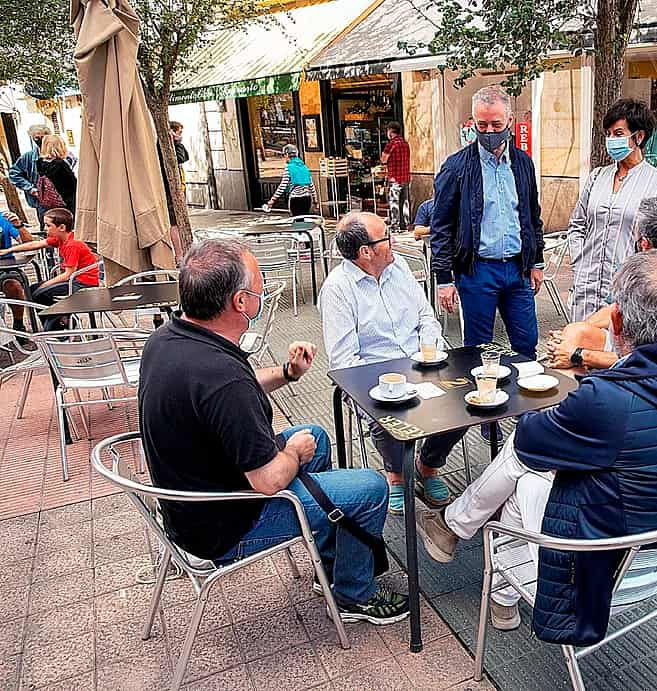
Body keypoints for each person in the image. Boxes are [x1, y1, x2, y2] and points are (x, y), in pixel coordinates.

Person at [415, 250, 657, 640]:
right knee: (539, 466)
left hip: (603, 574)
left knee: (525, 473)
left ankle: (466, 543)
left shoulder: (611, 400)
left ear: (616, 321)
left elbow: (531, 438)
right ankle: (465, 546)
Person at [139, 238, 409, 624]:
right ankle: (355, 595)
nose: (264, 290)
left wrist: (288, 373)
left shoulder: (170, 338)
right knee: (370, 488)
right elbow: (267, 479)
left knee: (314, 435)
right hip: (226, 524)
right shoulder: (221, 377)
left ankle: (331, 566)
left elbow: (236, 387)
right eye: (259, 283)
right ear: (240, 303)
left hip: (193, 499)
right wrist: (291, 454)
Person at [319, 212, 465, 514]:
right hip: (377, 375)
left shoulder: (399, 269)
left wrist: (432, 349)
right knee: (387, 412)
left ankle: (428, 465)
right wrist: (377, 389)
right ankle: (396, 475)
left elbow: (426, 317)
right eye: (386, 236)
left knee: (467, 401)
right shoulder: (338, 289)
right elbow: (345, 360)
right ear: (365, 252)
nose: (394, 241)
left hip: (423, 362)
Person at [431, 84, 544, 360]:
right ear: (473, 124)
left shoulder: (523, 163)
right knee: (478, 349)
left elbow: (531, 215)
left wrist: (537, 261)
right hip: (477, 270)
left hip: (518, 269)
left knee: (527, 344)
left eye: (496, 124)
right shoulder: (456, 167)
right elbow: (441, 226)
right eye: (482, 125)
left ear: (509, 122)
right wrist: (444, 279)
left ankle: (527, 400)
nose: (490, 132)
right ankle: (481, 397)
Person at [548, 198, 657, 371]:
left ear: (644, 244)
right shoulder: (640, 274)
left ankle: (576, 395)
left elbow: (651, 361)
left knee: (570, 355)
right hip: (631, 350)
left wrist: (579, 355)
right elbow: (614, 308)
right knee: (572, 334)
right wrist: (572, 333)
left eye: (635, 234)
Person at [567, 99, 657, 322]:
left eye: (618, 133)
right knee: (579, 349)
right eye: (608, 134)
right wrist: (580, 261)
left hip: (627, 295)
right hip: (586, 289)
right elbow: (577, 225)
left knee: (617, 353)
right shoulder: (597, 176)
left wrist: (640, 279)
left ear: (639, 136)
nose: (611, 140)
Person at [0, 208, 99, 330]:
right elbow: (35, 244)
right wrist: (9, 250)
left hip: (81, 283)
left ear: (61, 227)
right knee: (31, 291)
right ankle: (63, 319)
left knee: (38, 293)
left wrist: (46, 284)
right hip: (74, 279)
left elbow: (68, 274)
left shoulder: (72, 245)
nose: (45, 229)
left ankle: (57, 326)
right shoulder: (61, 239)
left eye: (48, 226)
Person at [9, 124, 53, 226]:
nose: (39, 140)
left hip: (63, 201)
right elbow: (14, 173)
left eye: (42, 137)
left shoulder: (60, 154)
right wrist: (30, 188)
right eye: (36, 138)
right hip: (41, 202)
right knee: (47, 229)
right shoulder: (28, 157)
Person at [0, 211, 34, 337]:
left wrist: (19, 225)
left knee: (13, 284)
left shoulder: (3, 219)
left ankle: (18, 324)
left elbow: (29, 244)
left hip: (5, 267)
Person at [264, 144, 317, 216]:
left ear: (286, 155)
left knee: (296, 221)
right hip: (307, 199)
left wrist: (272, 200)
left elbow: (282, 186)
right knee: (304, 221)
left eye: (284, 155)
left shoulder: (289, 168)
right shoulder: (304, 167)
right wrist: (315, 200)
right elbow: (311, 185)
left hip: (295, 200)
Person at [380, 121, 411, 232]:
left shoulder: (391, 144)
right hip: (405, 178)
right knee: (405, 202)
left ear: (390, 131)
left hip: (395, 178)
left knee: (394, 202)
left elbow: (383, 160)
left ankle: (395, 225)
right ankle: (406, 225)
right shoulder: (405, 143)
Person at [36, 135, 77, 213]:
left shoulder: (40, 163)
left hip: (52, 203)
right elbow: (73, 184)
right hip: (67, 202)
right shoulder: (60, 164)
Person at [170, 121, 190, 190]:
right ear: (173, 132)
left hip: (181, 181)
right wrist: (177, 142)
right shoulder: (170, 145)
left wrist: (178, 142)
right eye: (180, 132)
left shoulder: (176, 144)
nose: (181, 135)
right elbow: (181, 159)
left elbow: (186, 157)